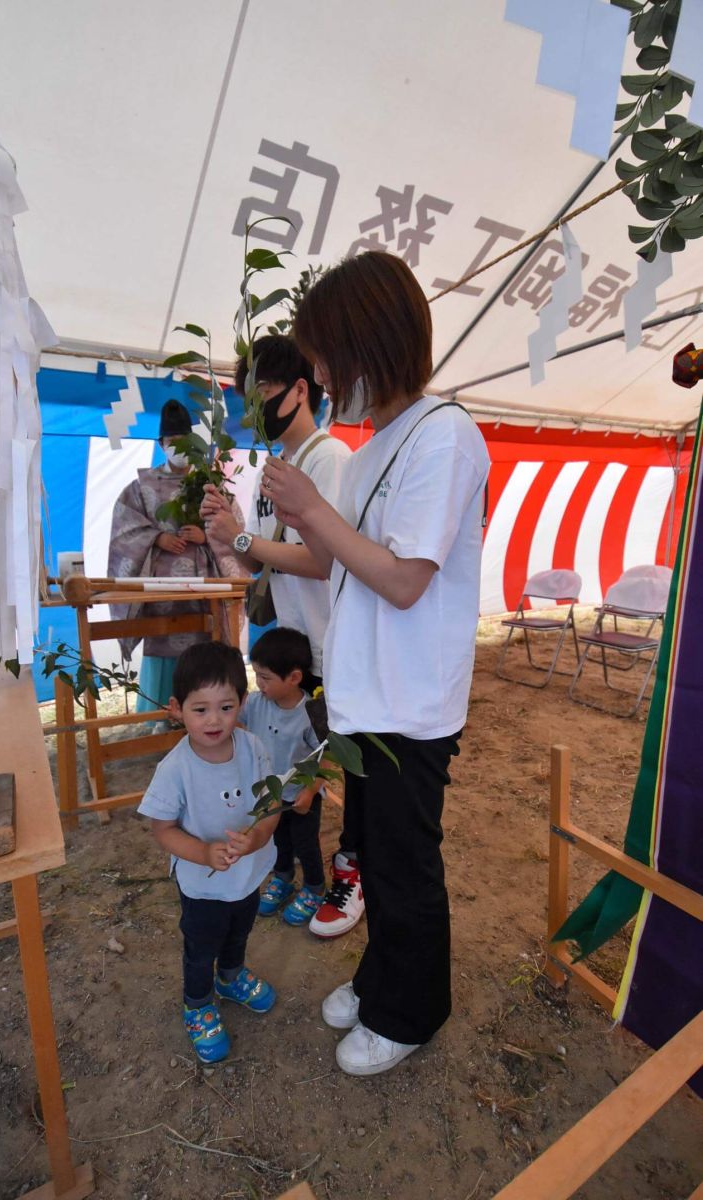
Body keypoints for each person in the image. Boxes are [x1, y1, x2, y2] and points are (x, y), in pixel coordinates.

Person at [260, 250, 490, 1076]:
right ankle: (380, 975)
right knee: (374, 854)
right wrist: (268, 530)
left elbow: (400, 579)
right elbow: (329, 562)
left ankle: (411, 1010)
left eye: (323, 358)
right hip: (365, 698)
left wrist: (313, 507)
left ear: (370, 341)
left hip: (410, 700)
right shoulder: (372, 448)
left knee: (403, 860)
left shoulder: (445, 437)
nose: (319, 377)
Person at [200, 335, 365, 939]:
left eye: (264, 392)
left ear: (301, 390)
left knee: (312, 773)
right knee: (279, 765)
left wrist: (246, 541)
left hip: (319, 652)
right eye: (250, 397)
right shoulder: (272, 472)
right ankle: (289, 868)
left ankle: (334, 875)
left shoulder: (329, 460)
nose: (257, 409)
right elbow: (258, 565)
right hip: (281, 647)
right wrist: (228, 534)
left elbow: (322, 559)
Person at [137, 641, 280, 1064]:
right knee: (201, 946)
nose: (214, 720)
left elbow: (271, 805)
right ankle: (197, 1004)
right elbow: (162, 829)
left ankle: (231, 977)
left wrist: (258, 838)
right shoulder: (175, 768)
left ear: (243, 702)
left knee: (240, 930)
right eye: (200, 710)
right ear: (176, 708)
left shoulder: (252, 748)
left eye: (226, 707)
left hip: (248, 874)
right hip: (202, 885)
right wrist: (202, 852)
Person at [107, 398, 243, 711]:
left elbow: (236, 528)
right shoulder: (141, 487)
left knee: (205, 645)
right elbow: (123, 528)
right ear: (160, 443)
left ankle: (205, 711)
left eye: (184, 442)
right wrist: (157, 537)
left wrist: (206, 536)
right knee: (163, 644)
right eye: (171, 442)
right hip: (162, 592)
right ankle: (159, 712)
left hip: (202, 588)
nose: (177, 448)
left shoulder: (210, 483)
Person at [241, 627, 326, 926]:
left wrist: (311, 790)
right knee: (277, 841)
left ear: (293, 678)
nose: (258, 683)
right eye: (256, 675)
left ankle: (315, 887)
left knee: (305, 843)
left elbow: (325, 755)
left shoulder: (310, 712)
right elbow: (225, 714)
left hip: (301, 797)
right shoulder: (254, 704)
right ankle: (283, 878)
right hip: (270, 794)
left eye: (265, 677)